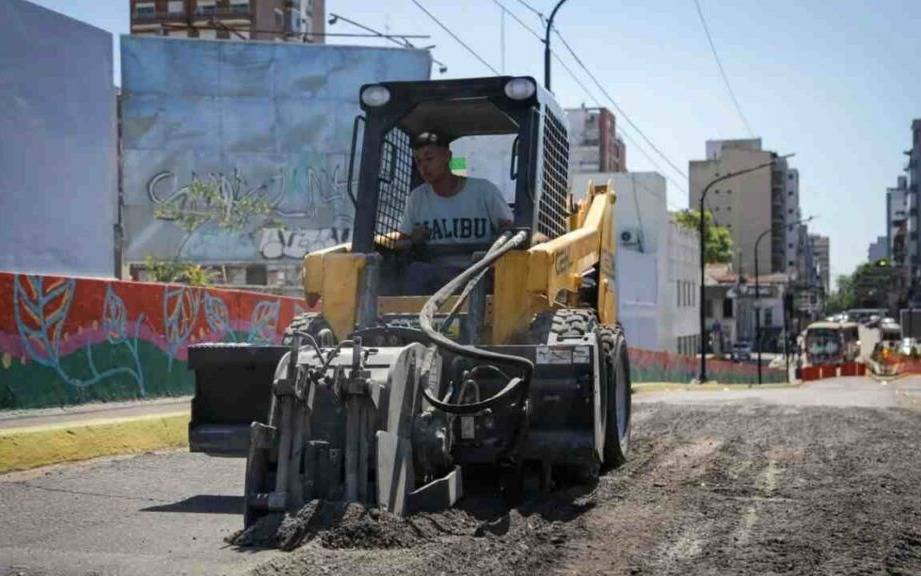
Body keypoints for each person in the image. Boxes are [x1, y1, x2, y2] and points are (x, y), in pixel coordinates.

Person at [398, 131, 513, 294]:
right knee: (416, 271)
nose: (424, 167)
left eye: (429, 159)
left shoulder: (484, 191)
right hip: (436, 276)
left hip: (479, 272)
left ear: (447, 156)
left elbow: (510, 232)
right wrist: (412, 240)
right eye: (418, 162)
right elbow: (400, 244)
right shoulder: (417, 198)